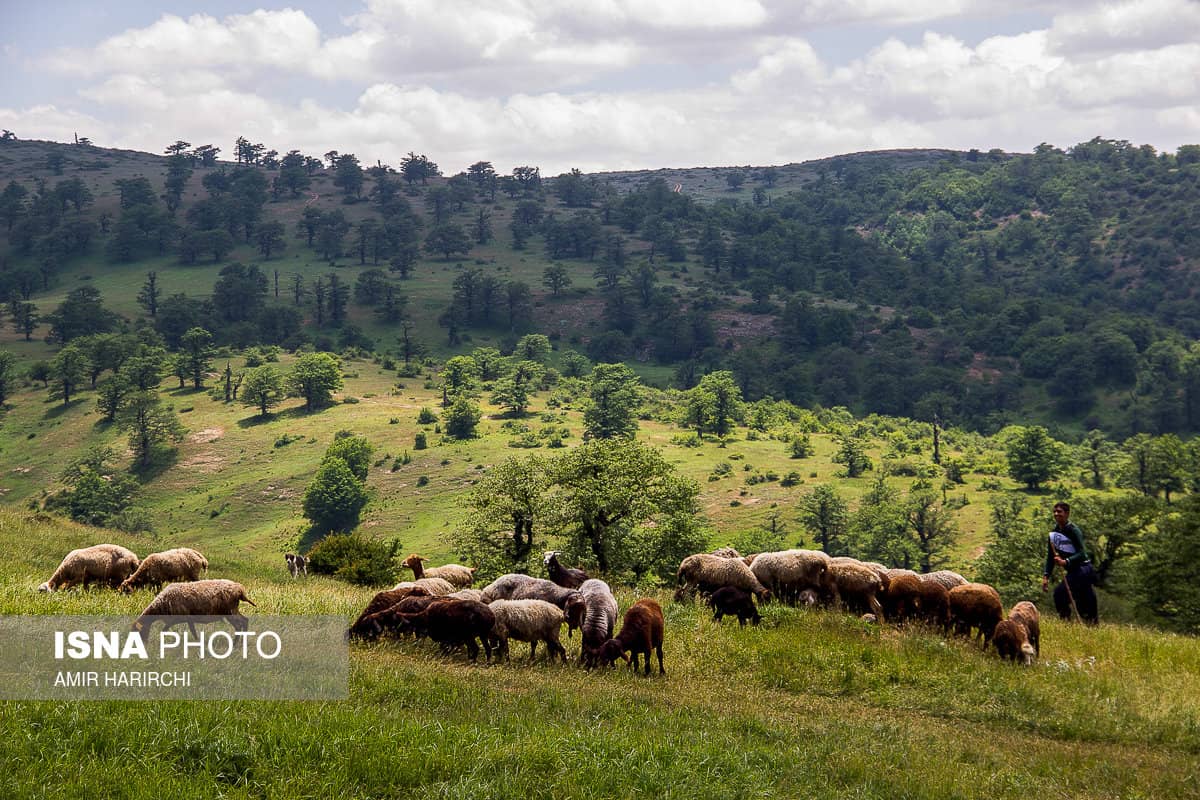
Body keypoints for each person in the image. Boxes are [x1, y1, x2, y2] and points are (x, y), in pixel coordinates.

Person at [1041, 502, 1098, 625]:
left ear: (1067, 513)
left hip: (1083, 569)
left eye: (1059, 512)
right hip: (1073, 571)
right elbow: (1051, 557)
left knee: (1061, 593)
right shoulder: (1053, 534)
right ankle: (1070, 622)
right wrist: (1046, 576)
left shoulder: (1073, 531)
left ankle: (1069, 623)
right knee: (1082, 599)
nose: (1056, 514)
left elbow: (1082, 553)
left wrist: (1066, 561)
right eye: (1054, 512)